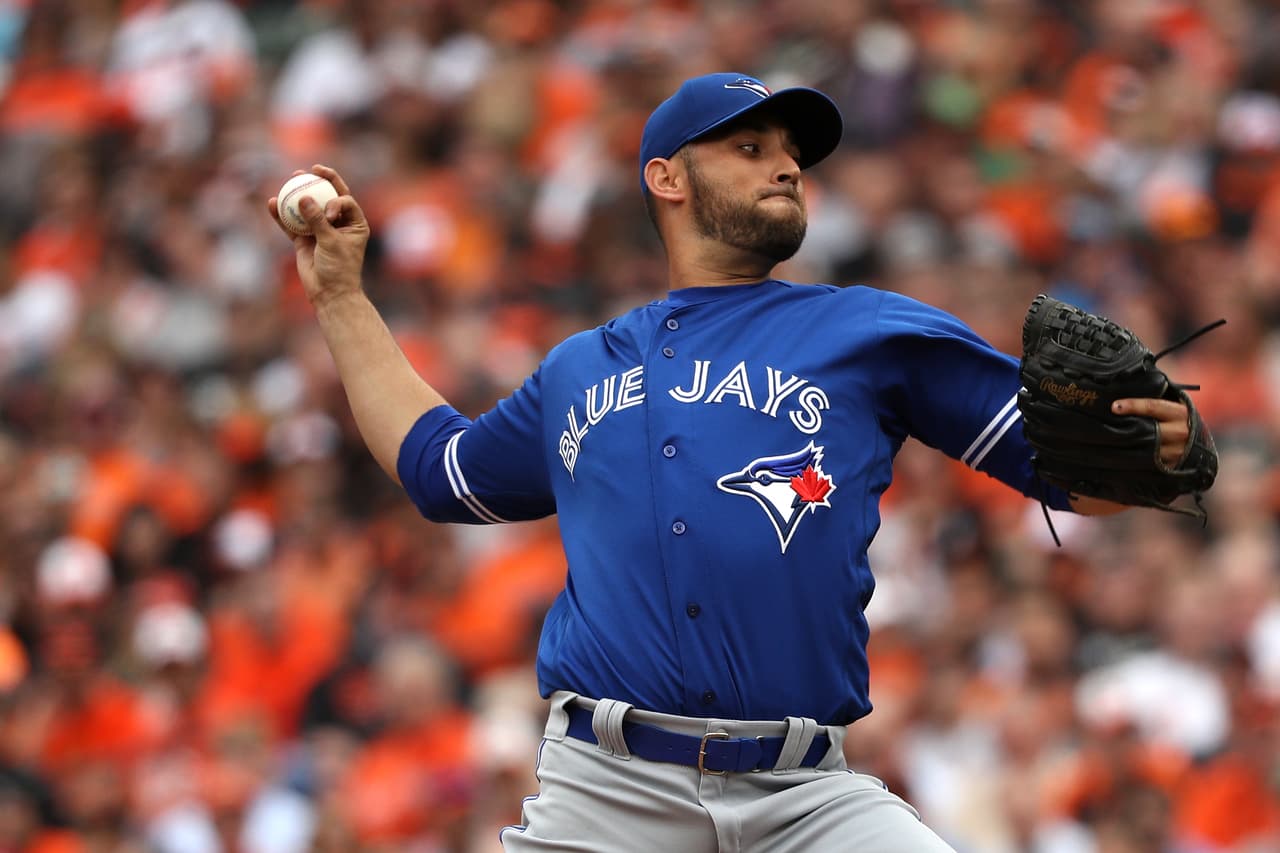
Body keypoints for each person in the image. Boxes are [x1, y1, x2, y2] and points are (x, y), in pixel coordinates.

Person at [268, 72, 1199, 852]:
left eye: (790, 151)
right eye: (749, 147)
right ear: (667, 178)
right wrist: (343, 295)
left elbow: (1075, 474)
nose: (788, 164)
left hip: (808, 798)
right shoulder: (580, 368)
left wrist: (1151, 451)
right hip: (606, 796)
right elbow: (442, 472)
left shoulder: (863, 330)